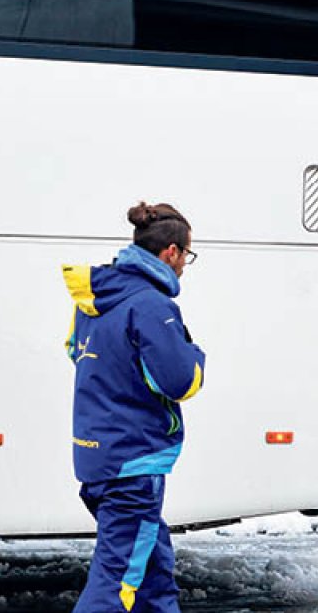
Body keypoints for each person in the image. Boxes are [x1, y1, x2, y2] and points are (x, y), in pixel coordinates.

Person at [62, 202, 205, 612]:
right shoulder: (151, 305)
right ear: (171, 253)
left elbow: (76, 352)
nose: (184, 267)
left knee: (154, 576)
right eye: (187, 257)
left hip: (97, 457)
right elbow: (179, 381)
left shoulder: (94, 299)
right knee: (116, 584)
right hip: (134, 463)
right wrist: (195, 355)